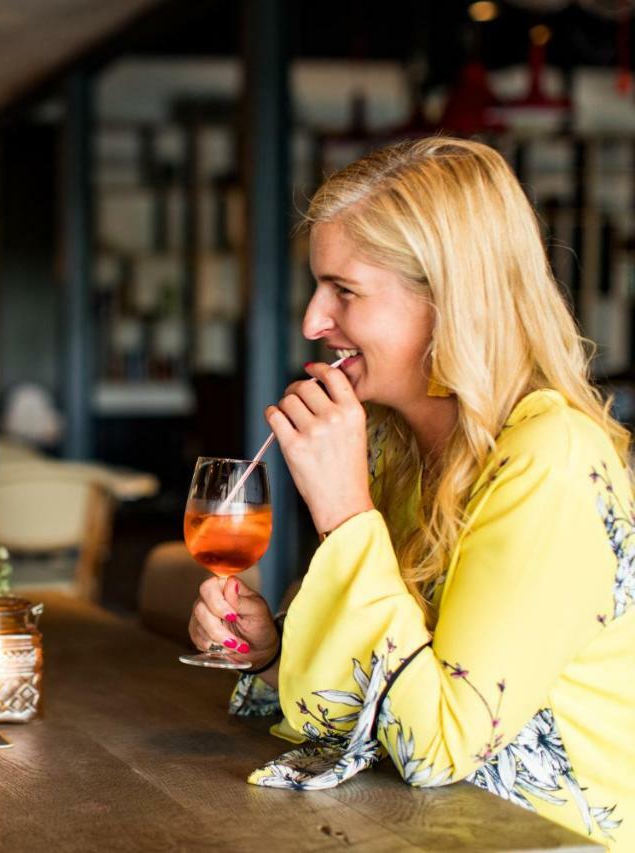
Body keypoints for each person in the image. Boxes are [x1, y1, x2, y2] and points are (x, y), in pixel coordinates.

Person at [189, 137, 633, 849]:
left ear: (448, 301)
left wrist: (343, 514)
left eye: (345, 290)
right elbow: (376, 707)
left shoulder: (550, 458)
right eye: (317, 286)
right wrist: (274, 653)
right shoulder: (397, 452)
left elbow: (435, 746)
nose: (311, 321)